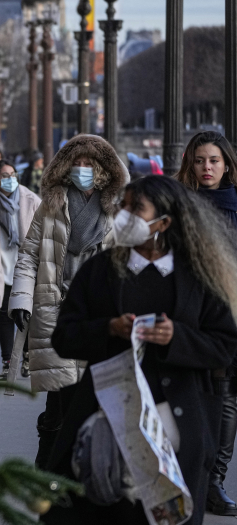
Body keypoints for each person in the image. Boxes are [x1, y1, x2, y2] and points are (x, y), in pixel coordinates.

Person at [43, 175, 237, 524]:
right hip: (107, 418)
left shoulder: (199, 276)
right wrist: (108, 328)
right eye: (124, 205)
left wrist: (176, 338)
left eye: (136, 208)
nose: (124, 214)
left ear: (163, 222)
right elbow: (64, 336)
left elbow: (224, 346)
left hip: (177, 427)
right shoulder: (101, 270)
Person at [7, 134, 130, 466]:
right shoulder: (51, 205)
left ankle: (81, 469)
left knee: (93, 393)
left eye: (89, 163)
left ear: (104, 168)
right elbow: (30, 255)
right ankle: (49, 464)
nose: (82, 168)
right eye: (76, 162)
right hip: (56, 306)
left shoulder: (118, 209)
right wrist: (20, 299)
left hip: (101, 313)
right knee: (59, 397)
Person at [175, 130, 237, 515]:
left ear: (227, 164)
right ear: (190, 164)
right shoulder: (180, 202)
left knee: (228, 396)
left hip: (231, 310)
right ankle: (189, 476)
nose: (207, 167)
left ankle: (214, 479)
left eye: (214, 160)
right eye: (200, 160)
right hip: (192, 310)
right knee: (193, 393)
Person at [0, 160, 42, 380]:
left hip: (26, 268)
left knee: (25, 314)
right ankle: (8, 362)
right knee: (4, 316)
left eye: (13, 174)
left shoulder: (30, 199)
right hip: (0, 268)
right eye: (5, 175)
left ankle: (26, 355)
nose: (11, 179)